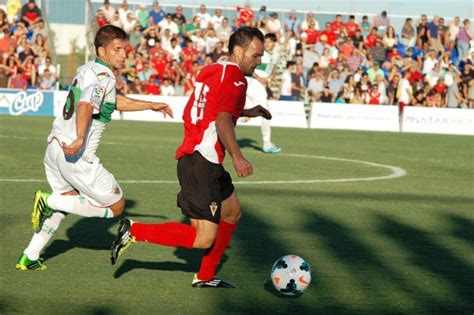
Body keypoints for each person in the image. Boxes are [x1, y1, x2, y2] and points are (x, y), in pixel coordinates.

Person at [110, 27, 271, 289]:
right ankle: (134, 231)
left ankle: (206, 276)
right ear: (239, 51)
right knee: (203, 239)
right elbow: (221, 119)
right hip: (202, 162)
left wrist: (248, 111)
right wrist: (238, 157)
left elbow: (215, 107)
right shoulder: (237, 79)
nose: (259, 61)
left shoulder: (212, 71)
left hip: (199, 158)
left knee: (231, 213)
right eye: (255, 55)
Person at [15, 25, 173, 271]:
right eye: (117, 49)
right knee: (116, 206)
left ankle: (30, 255)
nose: (123, 54)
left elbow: (110, 101)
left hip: (55, 148)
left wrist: (149, 104)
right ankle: (48, 200)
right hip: (76, 155)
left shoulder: (87, 69)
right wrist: (80, 138)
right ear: (102, 50)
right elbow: (87, 103)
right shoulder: (105, 77)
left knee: (64, 202)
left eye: (125, 49)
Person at [245, 32, 281, 153]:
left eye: (270, 41)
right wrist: (259, 78)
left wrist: (272, 78)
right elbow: (249, 67)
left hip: (260, 85)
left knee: (252, 112)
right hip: (253, 83)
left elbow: (274, 66)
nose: (267, 43)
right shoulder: (259, 53)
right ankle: (267, 143)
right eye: (266, 41)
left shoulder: (275, 55)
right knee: (265, 112)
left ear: (274, 43)